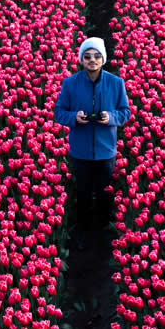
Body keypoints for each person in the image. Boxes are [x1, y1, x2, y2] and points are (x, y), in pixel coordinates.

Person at [53, 36, 130, 249]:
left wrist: (111, 118)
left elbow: (126, 113)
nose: (92, 60)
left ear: (103, 58)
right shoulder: (70, 84)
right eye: (87, 56)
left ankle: (105, 230)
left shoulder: (116, 83)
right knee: (84, 192)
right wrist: (74, 118)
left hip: (106, 150)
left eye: (97, 56)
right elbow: (59, 113)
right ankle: (85, 232)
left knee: (105, 191)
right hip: (81, 150)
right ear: (81, 59)